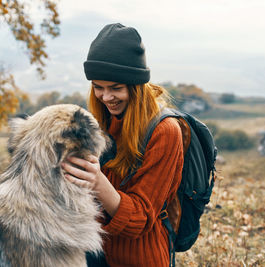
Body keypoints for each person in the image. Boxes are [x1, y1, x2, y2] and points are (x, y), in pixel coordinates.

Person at [61, 23, 184, 267]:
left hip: (140, 258)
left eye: (116, 88)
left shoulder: (165, 132)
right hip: (94, 252)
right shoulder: (100, 122)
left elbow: (140, 219)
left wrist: (97, 181)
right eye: (98, 87)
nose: (106, 97)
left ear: (136, 87)